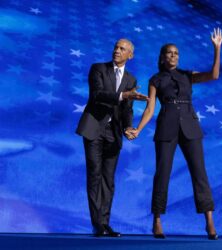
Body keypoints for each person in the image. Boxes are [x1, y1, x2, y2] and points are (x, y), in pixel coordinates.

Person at [130, 28, 222, 240]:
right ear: (162, 57)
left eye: (176, 53)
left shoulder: (187, 75)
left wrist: (217, 49)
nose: (173, 56)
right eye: (169, 53)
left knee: (199, 173)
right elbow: (149, 109)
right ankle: (157, 220)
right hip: (166, 127)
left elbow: (214, 75)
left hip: (190, 127)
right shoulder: (155, 80)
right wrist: (138, 129)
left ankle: (209, 221)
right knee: (162, 174)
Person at [76, 39, 148, 237]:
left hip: (114, 133)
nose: (117, 50)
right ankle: (97, 224)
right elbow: (97, 94)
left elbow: (127, 109)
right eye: (116, 47)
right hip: (93, 129)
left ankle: (105, 223)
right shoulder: (98, 68)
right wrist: (124, 95)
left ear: (130, 55)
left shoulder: (131, 80)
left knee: (108, 179)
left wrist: (128, 127)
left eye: (122, 49)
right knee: (94, 175)